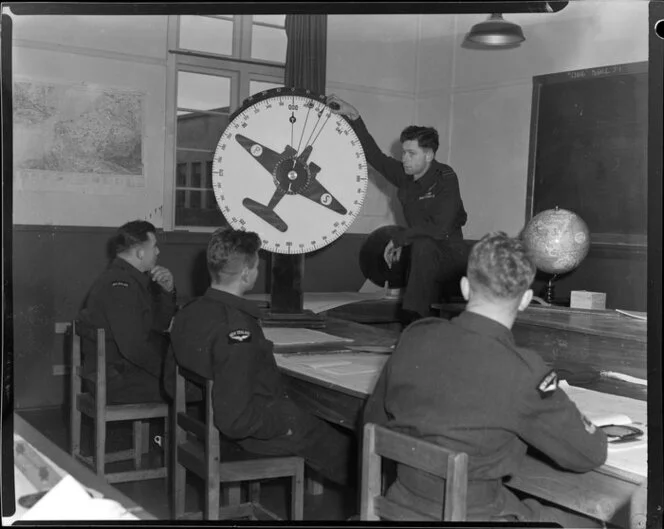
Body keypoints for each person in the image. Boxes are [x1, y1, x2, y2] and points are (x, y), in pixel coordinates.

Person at [363, 232, 608, 526]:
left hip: (401, 504)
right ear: (526, 300)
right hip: (478, 514)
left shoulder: (415, 336)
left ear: (466, 288)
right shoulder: (524, 371)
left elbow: (372, 420)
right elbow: (589, 454)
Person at [166, 227, 354, 487]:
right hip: (251, 433)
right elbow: (236, 420)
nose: (256, 272)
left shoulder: (187, 312)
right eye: (255, 267)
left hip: (216, 420)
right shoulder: (237, 328)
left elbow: (170, 382)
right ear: (245, 273)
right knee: (354, 455)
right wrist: (285, 424)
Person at [327, 94, 469, 322]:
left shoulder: (446, 177)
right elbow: (374, 156)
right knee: (420, 248)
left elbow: (440, 229)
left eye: (411, 153)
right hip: (424, 255)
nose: (404, 158)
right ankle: (418, 323)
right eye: (404, 152)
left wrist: (400, 239)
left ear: (429, 155)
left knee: (422, 245)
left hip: (451, 256)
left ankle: (411, 321)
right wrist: (354, 117)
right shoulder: (406, 175)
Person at [78, 220, 176, 404]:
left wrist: (166, 291)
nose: (158, 252)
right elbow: (134, 348)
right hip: (113, 380)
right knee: (189, 389)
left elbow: (158, 327)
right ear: (140, 253)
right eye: (154, 246)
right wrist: (169, 373)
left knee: (187, 386)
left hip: (123, 373)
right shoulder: (120, 285)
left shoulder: (131, 281)